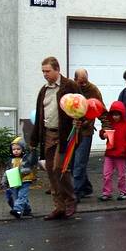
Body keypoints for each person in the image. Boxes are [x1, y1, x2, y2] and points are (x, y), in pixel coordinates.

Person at [30, 56, 80, 220]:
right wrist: (33, 140)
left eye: (48, 71)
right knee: (51, 171)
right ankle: (59, 206)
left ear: (57, 69)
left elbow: (82, 105)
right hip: (48, 134)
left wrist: (80, 122)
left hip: (64, 135)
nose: (45, 74)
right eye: (43, 71)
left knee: (60, 168)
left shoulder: (69, 86)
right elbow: (39, 116)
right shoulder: (44, 90)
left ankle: (71, 200)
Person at [73, 68, 106, 201]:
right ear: (75, 80)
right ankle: (86, 187)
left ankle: (76, 192)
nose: (83, 85)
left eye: (85, 82)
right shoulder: (71, 88)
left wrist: (106, 127)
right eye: (81, 82)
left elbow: (101, 109)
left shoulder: (93, 90)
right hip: (72, 131)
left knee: (80, 162)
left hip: (86, 131)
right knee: (73, 162)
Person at [99, 101, 126, 201]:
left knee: (121, 175)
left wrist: (125, 147)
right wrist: (103, 134)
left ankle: (123, 192)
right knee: (106, 174)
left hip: (121, 154)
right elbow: (102, 133)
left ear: (122, 114)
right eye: (113, 114)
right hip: (110, 153)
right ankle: (107, 192)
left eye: (117, 115)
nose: (115, 117)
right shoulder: (109, 124)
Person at [2, 137, 36, 219]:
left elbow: (30, 166)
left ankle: (17, 210)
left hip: (25, 180)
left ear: (23, 149)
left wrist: (34, 151)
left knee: (22, 196)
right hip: (15, 180)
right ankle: (27, 210)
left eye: (18, 149)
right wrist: (4, 180)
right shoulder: (11, 160)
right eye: (14, 149)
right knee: (17, 196)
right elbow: (7, 171)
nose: (16, 151)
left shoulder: (26, 158)